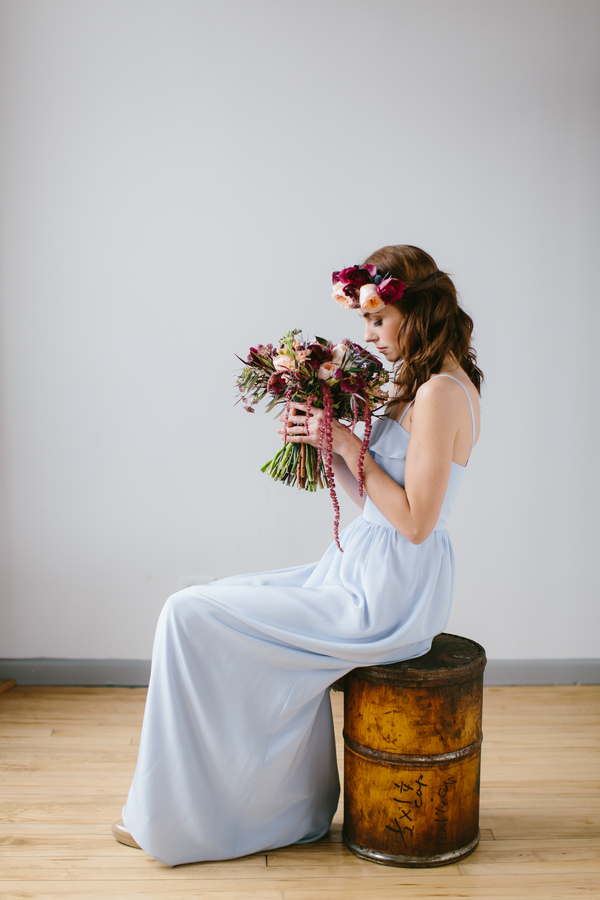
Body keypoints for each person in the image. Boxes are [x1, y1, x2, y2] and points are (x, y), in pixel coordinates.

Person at [112, 244, 482, 866]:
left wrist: (344, 440)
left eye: (377, 320)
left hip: (388, 595)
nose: (368, 335)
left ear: (415, 311)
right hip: (357, 565)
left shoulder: (441, 393)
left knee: (187, 614)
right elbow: (376, 507)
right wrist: (326, 447)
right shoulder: (414, 386)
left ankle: (198, 813)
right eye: (364, 320)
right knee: (201, 610)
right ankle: (243, 805)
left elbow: (416, 524)